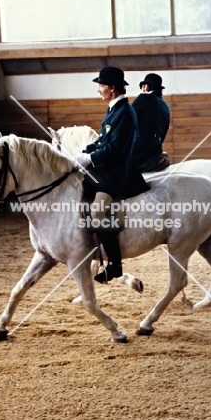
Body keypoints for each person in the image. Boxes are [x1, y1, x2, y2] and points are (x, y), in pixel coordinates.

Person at [76, 66, 150, 283]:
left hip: (116, 174)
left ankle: (115, 265)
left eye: (100, 86)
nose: (98, 90)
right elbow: (104, 141)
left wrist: (91, 159)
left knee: (98, 214)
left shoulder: (125, 112)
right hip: (105, 169)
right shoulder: (114, 109)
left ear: (111, 88)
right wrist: (88, 149)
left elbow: (115, 149)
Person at [131, 73, 171, 172]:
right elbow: (164, 131)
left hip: (139, 151)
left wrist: (142, 95)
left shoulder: (144, 100)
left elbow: (127, 117)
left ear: (147, 87)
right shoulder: (165, 105)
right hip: (156, 150)